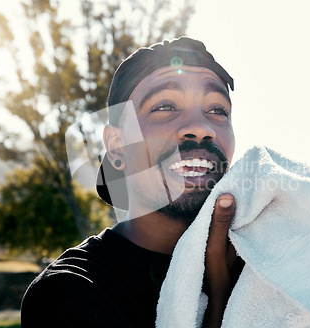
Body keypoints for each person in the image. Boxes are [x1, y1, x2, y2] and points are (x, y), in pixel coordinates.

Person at [21, 36, 243, 328]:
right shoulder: (71, 292)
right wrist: (220, 304)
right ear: (116, 146)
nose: (201, 128)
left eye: (217, 110)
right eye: (165, 106)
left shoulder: (267, 260)